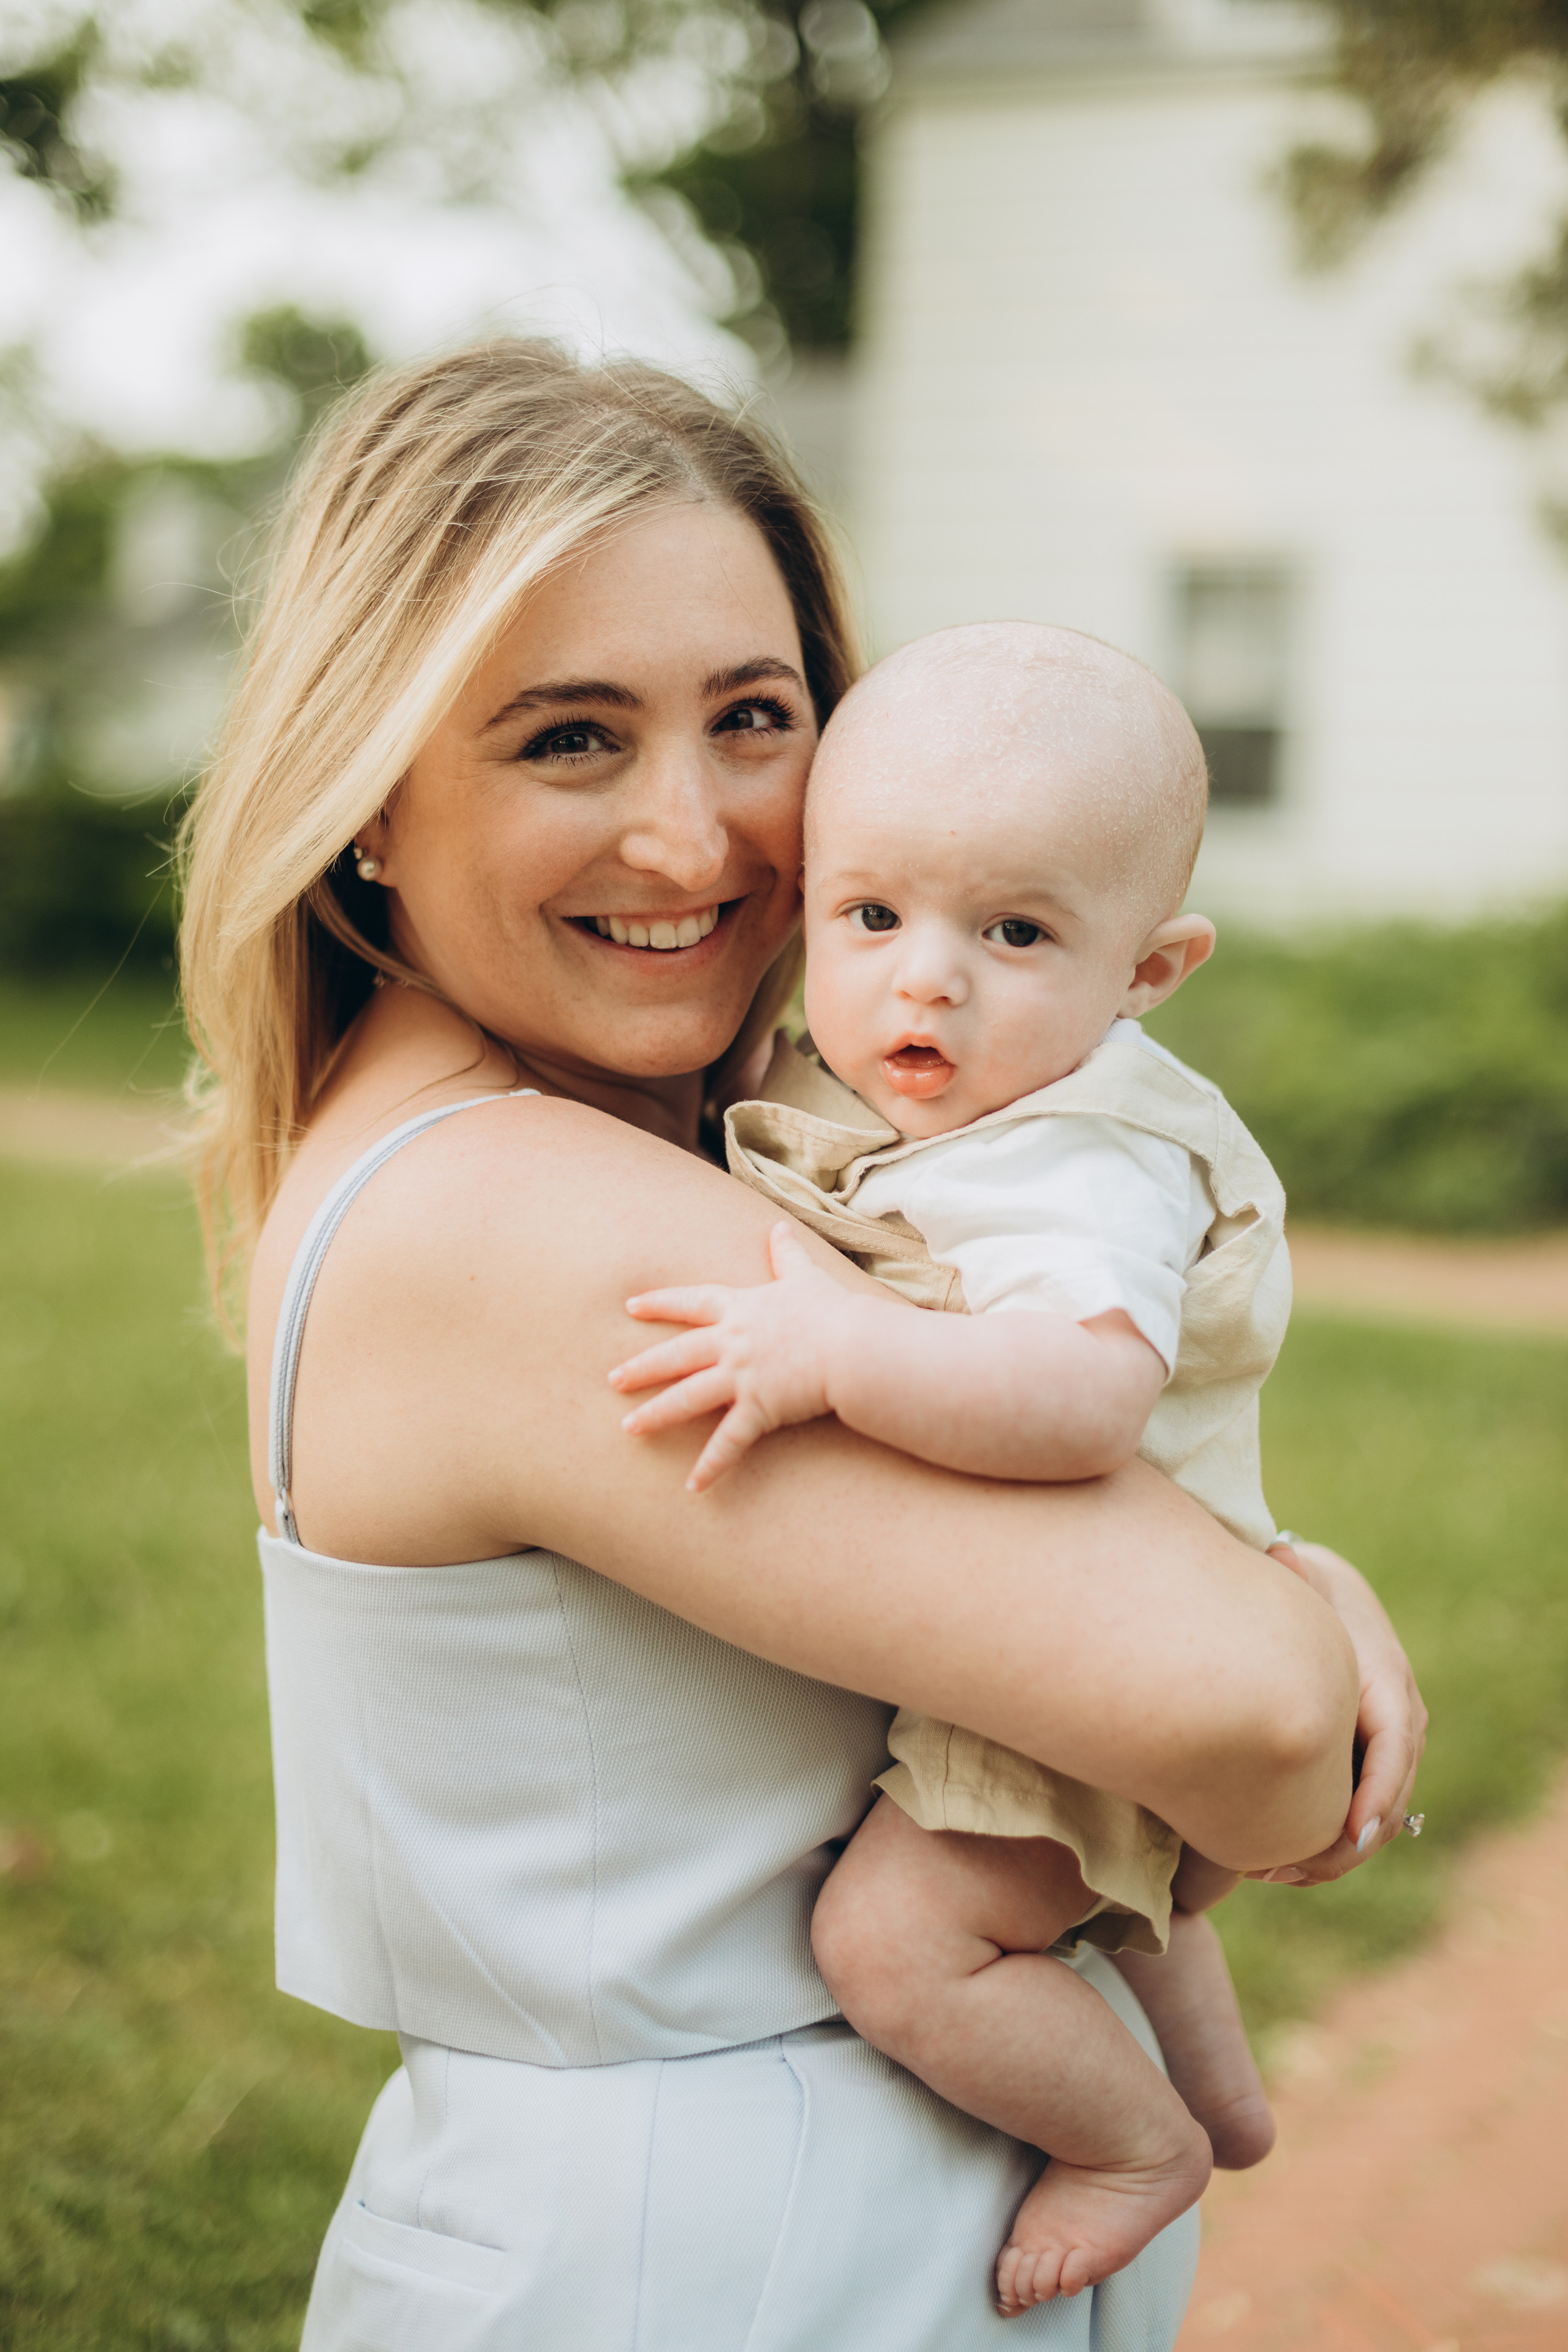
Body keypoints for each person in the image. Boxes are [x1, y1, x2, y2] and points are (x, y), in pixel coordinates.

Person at [178, 338, 1424, 2351]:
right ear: (368, 807)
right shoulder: (511, 1213)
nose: (699, 841)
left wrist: (1284, 1583)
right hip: (716, 2260)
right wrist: (1300, 1622)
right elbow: (1265, 1741)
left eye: (752, 720)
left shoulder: (597, 1155)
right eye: (569, 740)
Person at [608, 619, 1306, 2315]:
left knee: (895, 1942)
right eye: (871, 917)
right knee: (1132, 1904)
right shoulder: (1006, 1105)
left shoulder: (1082, 1163)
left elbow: (1076, 1401)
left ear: (1151, 970)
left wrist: (842, 1354)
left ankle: (1131, 2141)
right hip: (1139, 1647)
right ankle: (1219, 2096)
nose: (926, 980)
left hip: (1080, 1682)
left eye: (1012, 931)